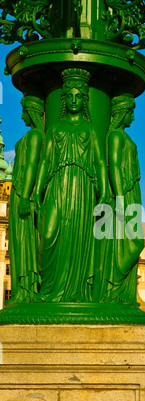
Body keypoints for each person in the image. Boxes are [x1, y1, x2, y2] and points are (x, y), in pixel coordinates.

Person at [35, 68, 108, 302]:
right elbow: (45, 160)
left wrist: (105, 190)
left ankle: (76, 290)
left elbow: (99, 161)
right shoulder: (55, 129)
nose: (74, 101)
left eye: (79, 96)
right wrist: (37, 191)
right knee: (48, 234)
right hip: (57, 184)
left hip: (84, 187)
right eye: (70, 96)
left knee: (80, 238)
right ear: (64, 100)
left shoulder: (90, 130)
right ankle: (50, 289)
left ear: (85, 100)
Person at [94, 93, 144, 304]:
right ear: (123, 112)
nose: (132, 118)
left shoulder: (125, 137)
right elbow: (113, 165)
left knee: (130, 241)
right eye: (130, 113)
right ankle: (111, 285)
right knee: (131, 242)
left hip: (132, 192)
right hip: (123, 193)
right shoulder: (114, 136)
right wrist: (120, 197)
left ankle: (121, 291)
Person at [8, 95, 45, 303]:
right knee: (18, 244)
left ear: (31, 111)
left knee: (26, 243)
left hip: (24, 194)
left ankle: (27, 290)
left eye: (24, 110)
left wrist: (24, 197)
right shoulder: (31, 136)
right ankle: (22, 290)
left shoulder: (35, 136)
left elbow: (32, 165)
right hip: (19, 192)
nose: (22, 115)